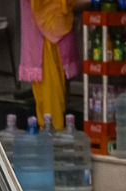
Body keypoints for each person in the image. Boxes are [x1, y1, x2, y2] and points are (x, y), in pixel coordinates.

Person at [18, 0, 86, 131]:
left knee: (58, 100)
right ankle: (53, 140)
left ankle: (54, 136)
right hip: (44, 38)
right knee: (51, 106)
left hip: (56, 33)